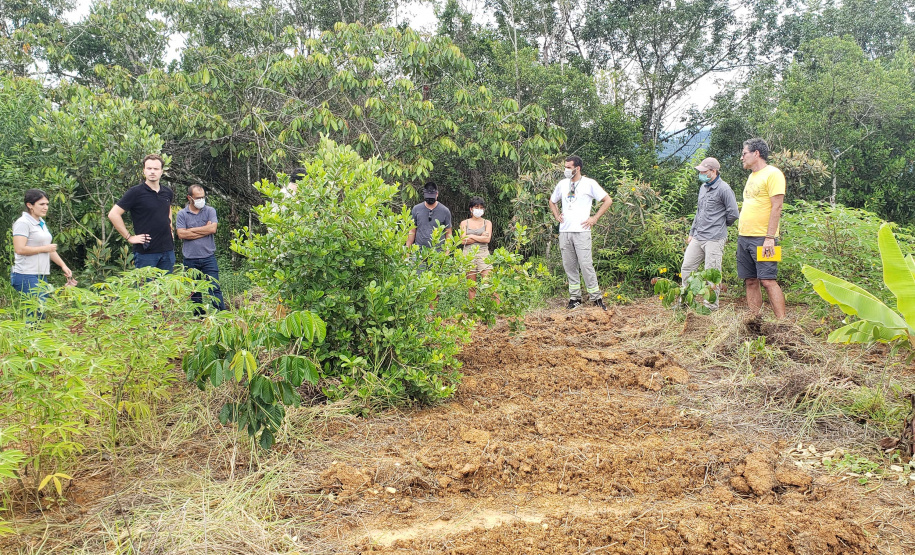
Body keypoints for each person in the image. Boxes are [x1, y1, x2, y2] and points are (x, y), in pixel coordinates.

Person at [549, 155, 613, 310]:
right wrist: (557, 215)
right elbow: (552, 201)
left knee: (586, 265)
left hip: (582, 231)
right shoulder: (562, 184)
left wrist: (595, 218)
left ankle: (596, 298)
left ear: (577, 168)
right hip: (565, 231)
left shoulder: (589, 183)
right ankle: (575, 298)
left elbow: (608, 200)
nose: (566, 170)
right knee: (569, 266)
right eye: (565, 167)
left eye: (569, 167)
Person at [680, 157, 739, 311]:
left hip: (714, 238)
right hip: (698, 236)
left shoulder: (724, 189)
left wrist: (720, 225)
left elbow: (733, 213)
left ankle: (710, 307)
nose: (701, 174)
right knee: (687, 267)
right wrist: (692, 232)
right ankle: (685, 301)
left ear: (713, 171)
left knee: (711, 274)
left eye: (704, 171)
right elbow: (699, 212)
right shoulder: (703, 187)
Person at [738, 138, 787, 319]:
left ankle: (782, 323)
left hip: (764, 238)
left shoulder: (773, 174)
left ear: (756, 153)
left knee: (767, 280)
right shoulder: (752, 176)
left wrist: (769, 237)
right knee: (750, 280)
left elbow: (777, 207)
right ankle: (754, 320)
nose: (742, 157)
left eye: (744, 154)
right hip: (744, 237)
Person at [108, 154, 175, 272]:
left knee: (166, 290)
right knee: (146, 289)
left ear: (161, 171)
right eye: (149, 168)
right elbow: (113, 214)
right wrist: (129, 237)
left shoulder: (167, 192)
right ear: (144, 170)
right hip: (146, 252)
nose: (152, 172)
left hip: (167, 250)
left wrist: (170, 227)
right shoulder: (135, 192)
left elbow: (167, 209)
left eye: (156, 169)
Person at [11, 189, 75, 301]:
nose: (45, 207)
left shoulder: (41, 222)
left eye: (47, 204)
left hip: (40, 274)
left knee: (42, 311)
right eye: (41, 204)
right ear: (30, 205)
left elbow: (49, 249)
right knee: (37, 312)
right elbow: (19, 249)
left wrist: (63, 266)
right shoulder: (23, 222)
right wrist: (45, 248)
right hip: (25, 274)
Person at [176, 185, 226, 311]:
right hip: (190, 258)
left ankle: (221, 316)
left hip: (208, 257)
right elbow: (181, 234)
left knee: (214, 288)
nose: (201, 200)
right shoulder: (182, 214)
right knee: (195, 291)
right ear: (189, 198)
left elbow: (213, 229)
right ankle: (199, 318)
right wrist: (205, 229)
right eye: (198, 198)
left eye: (203, 197)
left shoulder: (210, 211)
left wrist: (190, 231)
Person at [460, 197, 494, 300]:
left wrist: (471, 236)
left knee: (490, 283)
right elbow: (462, 240)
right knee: (471, 286)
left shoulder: (487, 223)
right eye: (476, 207)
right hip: (468, 255)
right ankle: (472, 311)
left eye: (481, 207)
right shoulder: (464, 223)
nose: (479, 209)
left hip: (483, 254)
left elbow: (487, 239)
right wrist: (480, 237)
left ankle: (498, 311)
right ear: (471, 209)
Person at [407, 182, 452, 249]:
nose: (430, 199)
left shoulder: (445, 211)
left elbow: (448, 233)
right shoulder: (416, 209)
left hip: (437, 253)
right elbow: (412, 231)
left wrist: (447, 251)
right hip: (418, 252)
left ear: (437, 194)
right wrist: (407, 250)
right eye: (428, 196)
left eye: (432, 197)